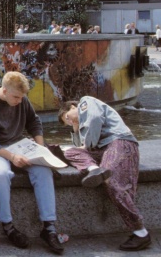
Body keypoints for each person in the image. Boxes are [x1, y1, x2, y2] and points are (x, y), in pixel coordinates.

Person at [0, 71, 64, 254]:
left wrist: (41, 149)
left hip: (19, 145)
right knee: (0, 175)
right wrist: (12, 157)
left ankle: (49, 227)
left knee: (44, 171)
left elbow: (34, 123)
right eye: (16, 97)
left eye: (23, 97)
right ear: (4, 91)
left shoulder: (21, 100)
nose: (19, 101)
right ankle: (8, 226)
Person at [58, 96, 151, 252]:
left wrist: (85, 144)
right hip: (103, 149)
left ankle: (141, 232)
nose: (69, 122)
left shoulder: (85, 102)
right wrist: (75, 128)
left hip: (119, 142)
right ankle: (94, 170)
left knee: (112, 182)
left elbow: (94, 120)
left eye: (67, 117)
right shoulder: (81, 124)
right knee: (68, 153)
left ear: (73, 106)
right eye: (66, 123)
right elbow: (81, 147)